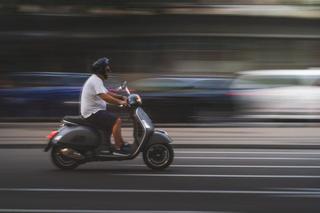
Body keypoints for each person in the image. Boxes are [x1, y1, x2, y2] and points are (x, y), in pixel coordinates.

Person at [80, 57, 129, 155]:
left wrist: (121, 97)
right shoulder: (95, 80)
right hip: (92, 113)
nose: (109, 70)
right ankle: (119, 147)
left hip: (95, 111)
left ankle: (111, 145)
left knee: (111, 122)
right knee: (117, 120)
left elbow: (107, 92)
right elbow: (105, 97)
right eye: (107, 68)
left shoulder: (96, 80)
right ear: (101, 70)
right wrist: (120, 102)